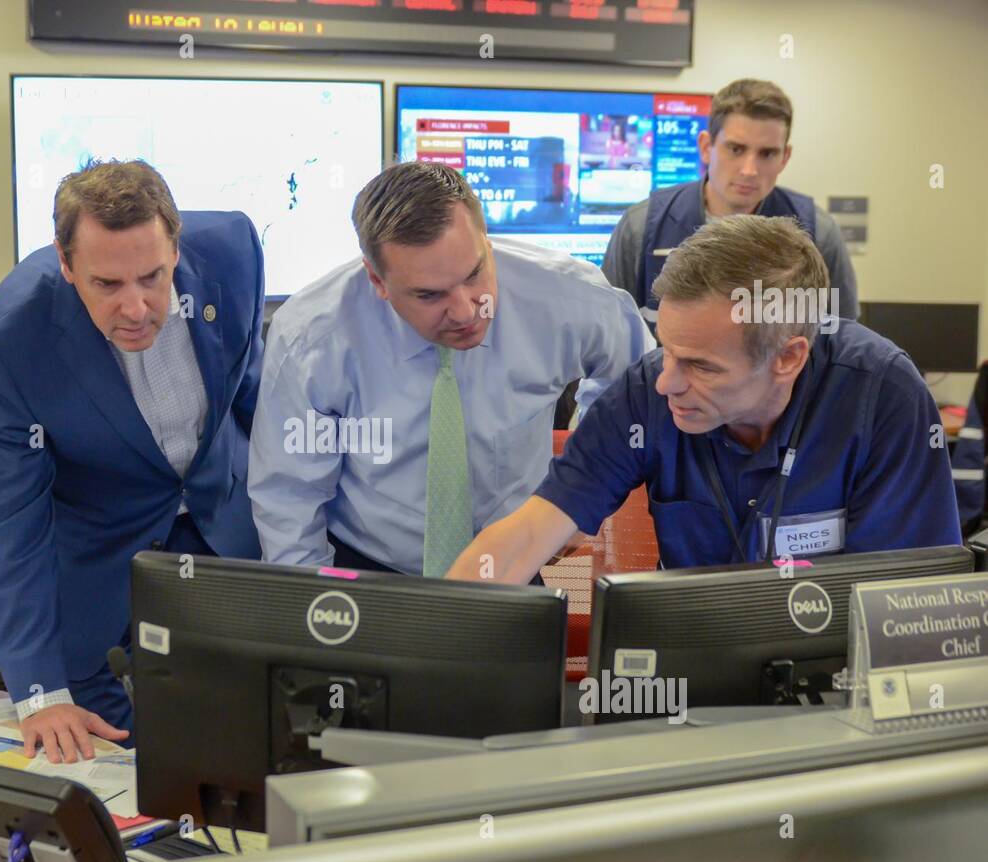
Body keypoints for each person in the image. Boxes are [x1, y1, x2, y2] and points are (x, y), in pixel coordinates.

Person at [447, 215, 959, 584]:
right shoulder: (648, 393)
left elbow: (903, 599)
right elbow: (531, 530)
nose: (668, 381)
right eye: (667, 350)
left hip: (835, 687)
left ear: (787, 358)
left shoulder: (882, 396)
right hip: (690, 677)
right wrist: (448, 627)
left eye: (700, 365)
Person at [0, 160, 263, 762]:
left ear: (175, 248)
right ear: (65, 262)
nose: (135, 307)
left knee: (251, 724)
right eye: (107, 285)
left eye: (152, 277)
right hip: (99, 545)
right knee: (89, 737)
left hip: (222, 520)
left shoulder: (235, 254)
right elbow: (11, 521)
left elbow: (261, 401)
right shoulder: (12, 338)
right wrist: (38, 693)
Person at [249, 162, 652, 578]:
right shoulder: (312, 339)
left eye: (474, 273)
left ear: (485, 241)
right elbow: (289, 496)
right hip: (369, 562)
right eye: (429, 294)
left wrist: (578, 490)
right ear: (377, 279)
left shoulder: (569, 298)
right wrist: (314, 605)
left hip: (515, 557)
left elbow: (636, 383)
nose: (465, 310)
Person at [602, 78, 859, 333]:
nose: (749, 170)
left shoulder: (818, 235)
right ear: (706, 147)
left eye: (767, 154)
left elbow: (838, 346)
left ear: (784, 158)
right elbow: (611, 342)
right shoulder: (640, 228)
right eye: (736, 149)